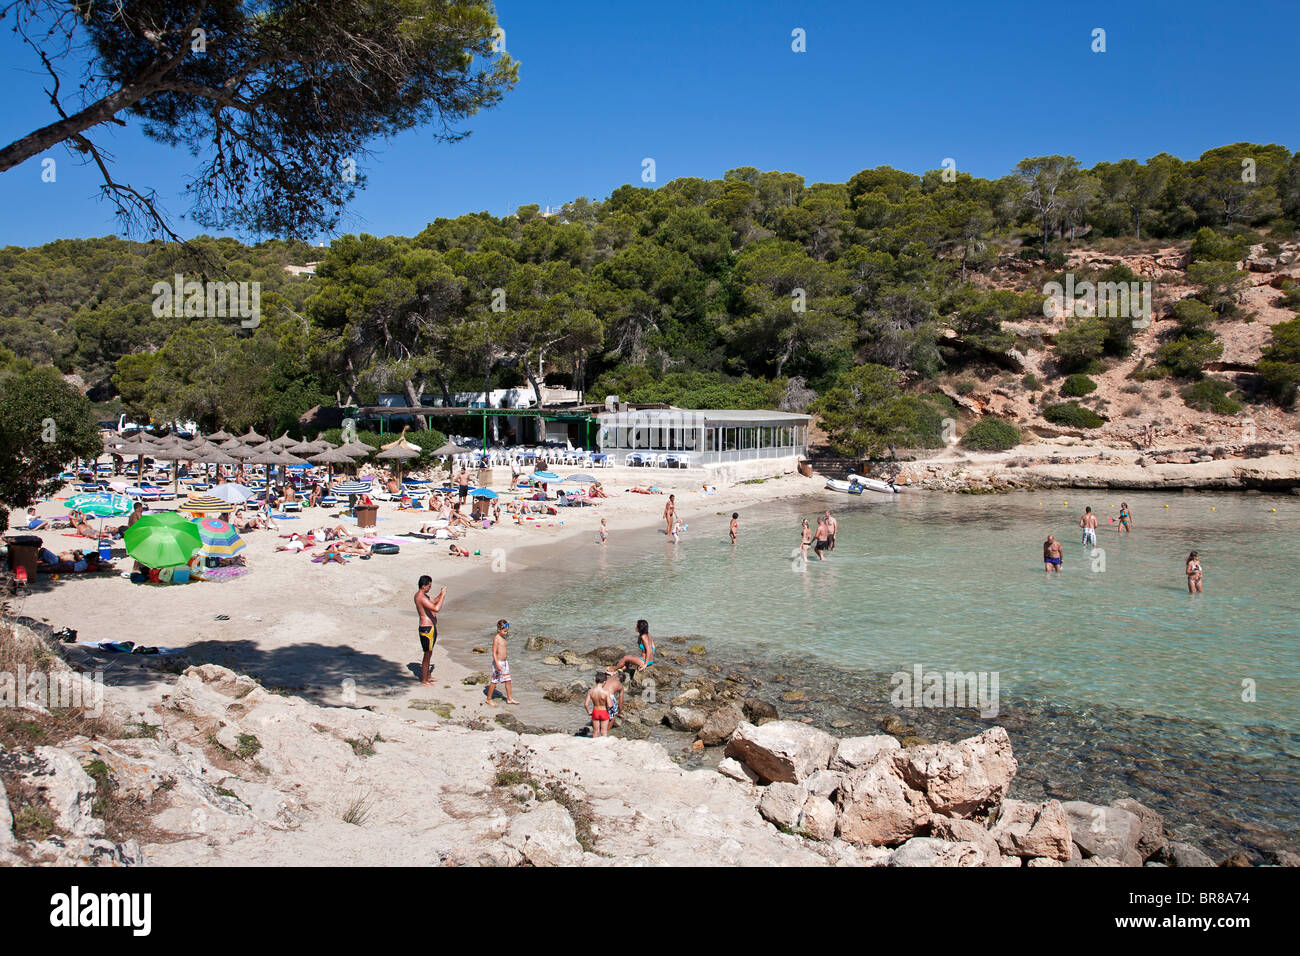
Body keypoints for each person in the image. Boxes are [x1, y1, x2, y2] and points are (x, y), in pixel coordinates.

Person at [414, 576, 447, 685]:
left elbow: (433, 601)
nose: (430, 588)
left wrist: (440, 594)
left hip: (430, 628)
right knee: (427, 654)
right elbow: (436, 608)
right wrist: (442, 595)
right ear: (423, 586)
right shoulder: (420, 597)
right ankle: (424, 680)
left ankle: (428, 675)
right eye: (429, 586)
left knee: (430, 652)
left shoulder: (424, 596)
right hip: (427, 629)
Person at [485, 619, 518, 706]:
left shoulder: (503, 637)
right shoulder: (497, 638)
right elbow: (494, 653)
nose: (506, 633)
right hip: (498, 663)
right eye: (504, 631)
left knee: (508, 680)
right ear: (499, 630)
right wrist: (497, 664)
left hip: (504, 662)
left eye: (507, 631)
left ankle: (509, 699)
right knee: (494, 680)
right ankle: (488, 698)